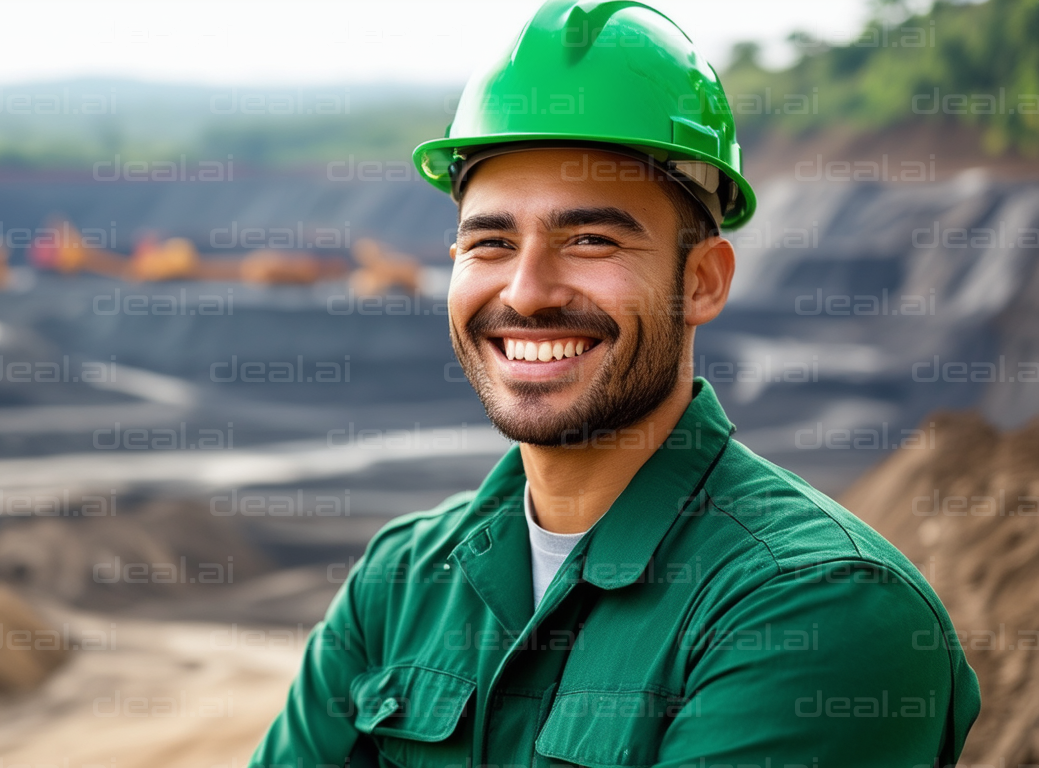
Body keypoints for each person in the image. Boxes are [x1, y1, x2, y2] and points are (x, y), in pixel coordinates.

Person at [249, 1, 980, 765]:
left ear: (700, 281)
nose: (527, 292)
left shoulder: (819, 606)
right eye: (491, 242)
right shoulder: (399, 582)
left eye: (590, 239)